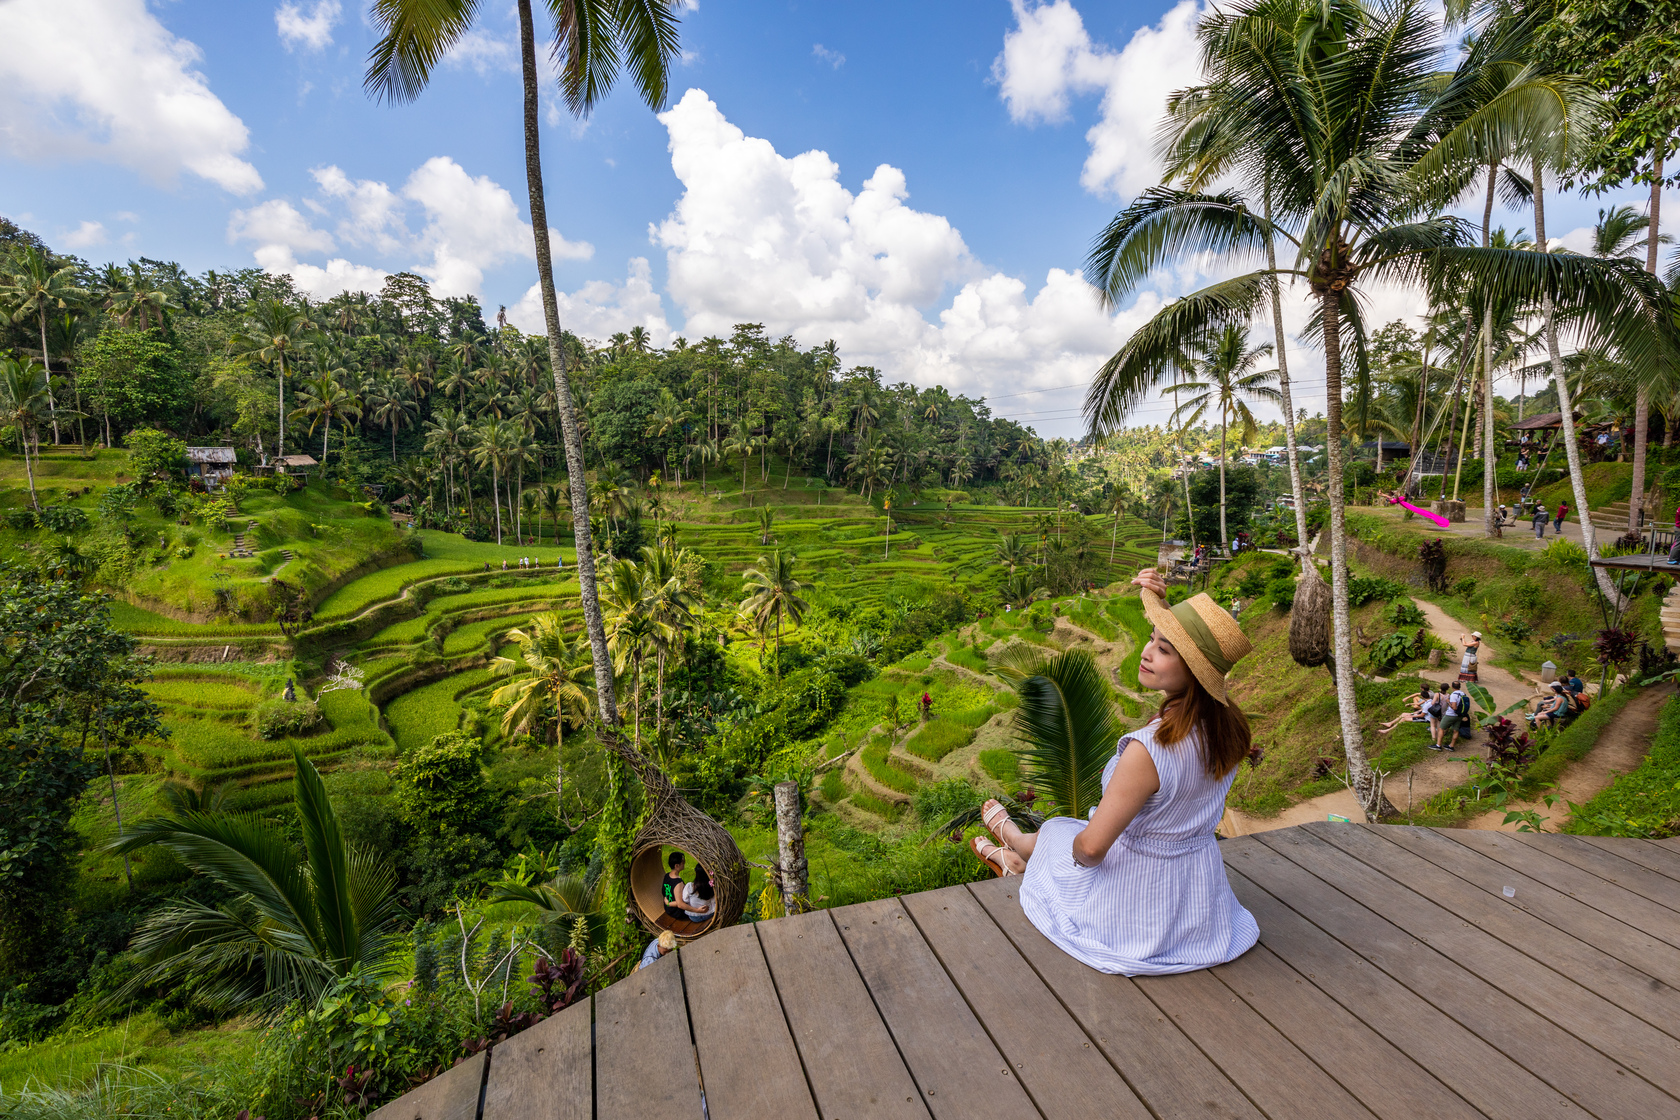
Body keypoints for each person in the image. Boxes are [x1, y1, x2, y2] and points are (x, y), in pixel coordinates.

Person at [967, 568, 1260, 976]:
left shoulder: (1149, 749)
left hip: (1135, 902)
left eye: (1164, 649)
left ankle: (1019, 854)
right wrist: (1163, 607)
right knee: (1059, 831)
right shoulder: (1229, 729)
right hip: (1195, 898)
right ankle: (1019, 846)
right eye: (1151, 638)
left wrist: (1071, 858)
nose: (1146, 652)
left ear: (1194, 671)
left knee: (1060, 833)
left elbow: (1091, 851)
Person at [1437, 685, 1470, 750]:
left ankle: (1438, 745)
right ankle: (1451, 746)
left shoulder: (1454, 695)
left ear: (1452, 687)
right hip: (1460, 715)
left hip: (1451, 715)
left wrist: (1448, 702)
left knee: (1441, 728)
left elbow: (1454, 707)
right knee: (1456, 730)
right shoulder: (1464, 694)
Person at [660, 851, 689, 922]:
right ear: (677, 866)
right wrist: (697, 910)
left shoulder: (667, 876)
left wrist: (667, 902)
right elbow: (680, 904)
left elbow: (664, 891)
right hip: (678, 913)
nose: (684, 863)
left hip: (668, 909)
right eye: (683, 862)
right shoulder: (678, 883)